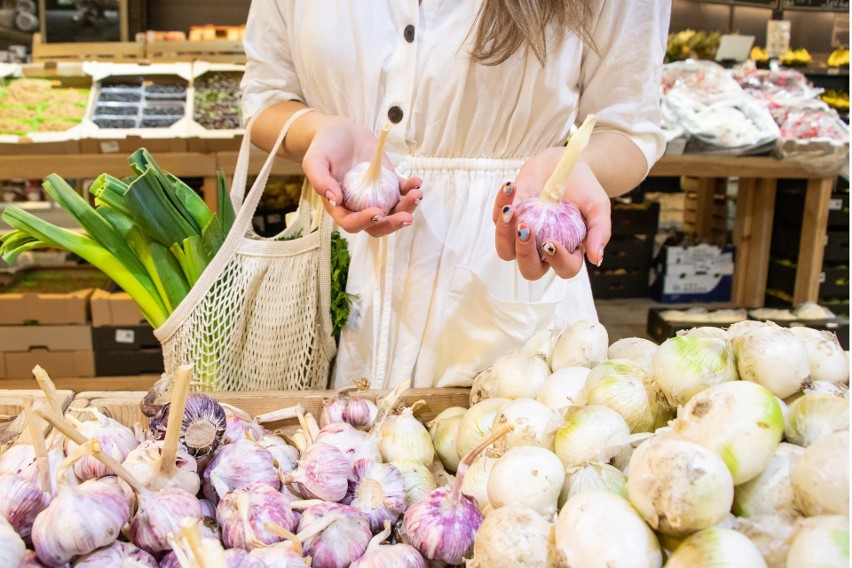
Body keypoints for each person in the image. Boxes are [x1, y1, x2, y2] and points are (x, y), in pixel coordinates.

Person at [241, 1, 671, 389]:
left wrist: (571, 168)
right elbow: (265, 98)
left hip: (502, 259)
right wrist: (320, 129)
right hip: (331, 269)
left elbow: (629, 128)